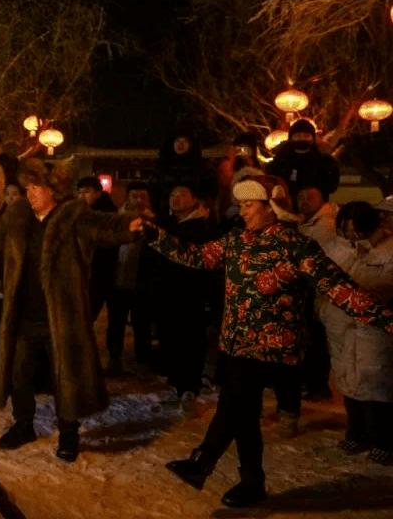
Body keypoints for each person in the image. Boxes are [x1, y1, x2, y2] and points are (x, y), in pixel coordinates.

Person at [143, 174, 393, 508]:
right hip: (236, 341)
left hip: (271, 345)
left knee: (233, 400)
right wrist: (155, 236)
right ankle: (251, 482)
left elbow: (339, 287)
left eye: (249, 204)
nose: (241, 211)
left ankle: (202, 461)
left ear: (271, 207)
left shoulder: (296, 245)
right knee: (244, 414)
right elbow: (197, 257)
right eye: (241, 204)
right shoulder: (237, 239)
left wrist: (386, 319)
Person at [0, 159, 141, 461]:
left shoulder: (73, 217)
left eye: (37, 187)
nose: (31, 193)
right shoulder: (18, 217)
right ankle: (24, 425)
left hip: (61, 316)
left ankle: (68, 434)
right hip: (24, 315)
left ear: (55, 191)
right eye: (29, 187)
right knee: (19, 376)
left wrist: (129, 225)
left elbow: (105, 227)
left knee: (65, 376)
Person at [321, 202, 393, 466]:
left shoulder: (388, 251)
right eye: (346, 230)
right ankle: (357, 432)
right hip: (342, 328)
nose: (350, 236)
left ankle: (384, 440)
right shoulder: (342, 250)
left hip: (372, 330)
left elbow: (383, 288)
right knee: (348, 381)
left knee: (375, 384)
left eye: (355, 230)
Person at [150, 182, 222, 415]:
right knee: (169, 339)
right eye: (172, 194)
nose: (176, 198)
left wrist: (212, 298)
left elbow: (211, 266)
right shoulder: (166, 225)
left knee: (191, 341)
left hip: (193, 294)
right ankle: (176, 385)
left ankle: (190, 388)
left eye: (182, 194)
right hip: (166, 293)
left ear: (195, 200)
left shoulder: (206, 228)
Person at [296, 183, 346, 402]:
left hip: (318, 291)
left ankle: (317, 385)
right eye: (301, 198)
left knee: (316, 340)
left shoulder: (324, 225)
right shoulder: (308, 223)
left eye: (310, 197)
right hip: (313, 291)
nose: (304, 201)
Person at [105, 181, 157, 377]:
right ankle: (114, 358)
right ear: (127, 197)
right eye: (134, 196)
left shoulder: (154, 222)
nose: (138, 200)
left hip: (141, 281)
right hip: (118, 279)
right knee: (116, 321)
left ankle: (143, 359)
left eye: (143, 196)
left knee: (141, 322)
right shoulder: (116, 218)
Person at [76, 176, 118, 323]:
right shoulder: (79, 212)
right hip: (88, 272)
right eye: (80, 192)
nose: (82, 196)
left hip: (104, 272)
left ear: (98, 193)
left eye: (87, 192)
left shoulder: (108, 213)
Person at [266, 119, 339, 198]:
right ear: (291, 138)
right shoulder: (281, 158)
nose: (302, 139)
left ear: (312, 138)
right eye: (298, 136)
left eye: (306, 136)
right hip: (286, 202)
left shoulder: (323, 159)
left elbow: (331, 185)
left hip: (315, 203)